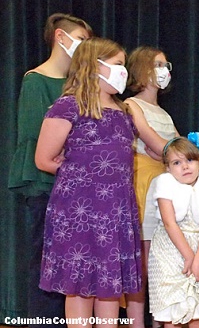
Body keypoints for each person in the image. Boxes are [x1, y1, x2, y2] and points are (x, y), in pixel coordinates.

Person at [35, 37, 141, 327]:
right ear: (95, 66)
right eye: (118, 65)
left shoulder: (124, 111)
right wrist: (83, 175)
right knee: (79, 281)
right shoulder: (68, 105)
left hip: (116, 209)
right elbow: (44, 158)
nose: (124, 71)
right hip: (79, 210)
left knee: (109, 285)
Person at [7, 12, 92, 327]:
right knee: (45, 264)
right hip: (45, 185)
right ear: (61, 36)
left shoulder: (80, 85)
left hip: (76, 190)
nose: (84, 47)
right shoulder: (36, 80)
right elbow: (34, 137)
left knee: (71, 266)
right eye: (80, 40)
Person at [124, 46, 179, 328]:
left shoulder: (164, 113)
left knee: (161, 261)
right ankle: (136, 323)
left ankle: (160, 320)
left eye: (165, 64)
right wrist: (175, 153)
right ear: (142, 69)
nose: (164, 70)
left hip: (167, 186)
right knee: (142, 262)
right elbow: (156, 143)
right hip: (144, 184)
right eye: (158, 64)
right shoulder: (132, 105)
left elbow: (173, 148)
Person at [148, 134, 199, 328]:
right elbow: (170, 223)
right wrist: (188, 256)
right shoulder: (164, 182)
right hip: (169, 248)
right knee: (172, 308)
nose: (185, 166)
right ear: (168, 168)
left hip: (198, 247)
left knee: (197, 308)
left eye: (189, 160)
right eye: (177, 162)